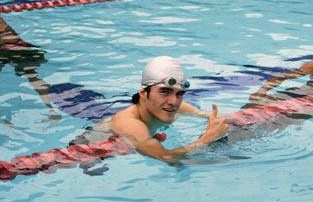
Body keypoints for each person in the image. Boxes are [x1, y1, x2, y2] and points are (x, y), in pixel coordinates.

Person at [71, 56, 229, 164]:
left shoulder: (176, 107)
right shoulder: (129, 123)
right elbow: (166, 157)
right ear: (143, 93)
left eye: (179, 94)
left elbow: (208, 116)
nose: (174, 102)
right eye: (164, 92)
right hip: (91, 152)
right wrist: (206, 139)